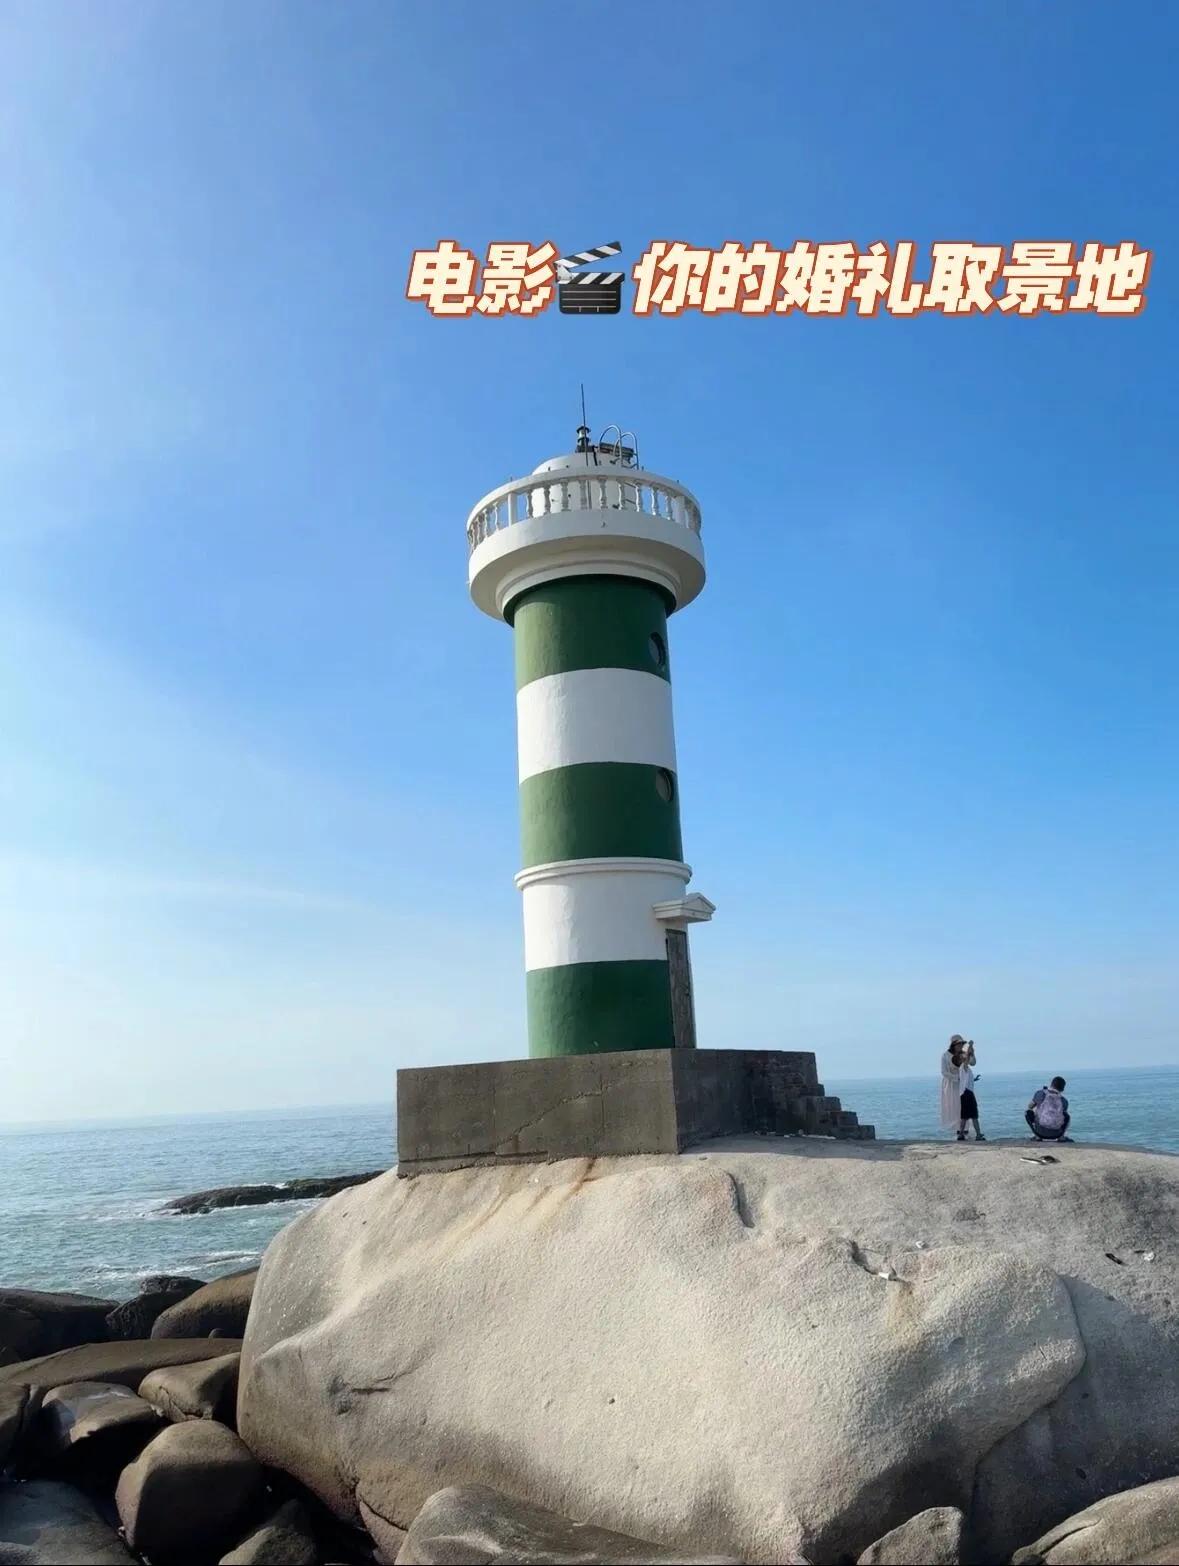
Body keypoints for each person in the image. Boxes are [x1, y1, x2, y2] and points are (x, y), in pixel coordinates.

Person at [1026, 1077, 1071, 1141]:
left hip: (1039, 1132)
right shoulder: (1064, 1101)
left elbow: (1030, 1106)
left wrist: (1039, 1107)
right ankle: (1061, 1137)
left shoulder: (1040, 1093)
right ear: (1062, 1089)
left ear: (1051, 1084)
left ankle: (1037, 1137)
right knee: (1066, 1116)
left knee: (1028, 1112)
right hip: (1056, 1134)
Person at [957, 1040, 985, 1142]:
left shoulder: (965, 1069)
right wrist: (970, 1046)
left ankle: (961, 1135)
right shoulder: (963, 1066)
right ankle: (978, 1135)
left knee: (965, 1116)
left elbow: (965, 1080)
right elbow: (968, 1055)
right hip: (967, 1093)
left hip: (965, 1093)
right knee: (974, 1115)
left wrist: (974, 1079)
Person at [940, 1035, 966, 1133]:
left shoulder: (963, 1054)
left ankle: (965, 1128)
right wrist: (956, 1077)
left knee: (964, 1105)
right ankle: (958, 1128)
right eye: (959, 1044)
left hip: (963, 1083)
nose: (961, 1046)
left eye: (962, 1044)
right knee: (954, 1105)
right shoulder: (945, 1056)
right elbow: (944, 1072)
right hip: (950, 1084)